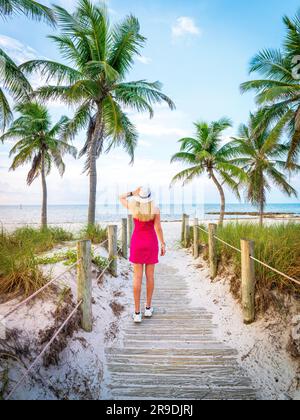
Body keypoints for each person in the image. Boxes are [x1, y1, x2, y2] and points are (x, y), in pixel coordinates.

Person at [119, 186, 166, 323]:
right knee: (150, 276)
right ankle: (148, 308)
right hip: (151, 243)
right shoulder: (155, 209)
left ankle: (137, 313)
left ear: (139, 197)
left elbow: (120, 197)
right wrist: (162, 243)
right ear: (150, 197)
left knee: (137, 277)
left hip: (137, 243)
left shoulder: (134, 207)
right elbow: (158, 228)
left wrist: (133, 192)